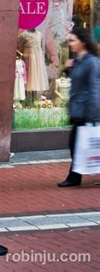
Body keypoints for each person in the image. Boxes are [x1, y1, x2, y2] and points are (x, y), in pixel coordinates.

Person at [58, 27, 100, 187]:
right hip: (78, 109)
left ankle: (74, 177)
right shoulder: (78, 61)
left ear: (82, 41)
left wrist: (93, 114)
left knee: (76, 143)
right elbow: (77, 82)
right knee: (77, 143)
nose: (70, 44)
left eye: (73, 40)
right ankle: (74, 177)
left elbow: (95, 88)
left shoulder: (92, 62)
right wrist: (70, 69)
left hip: (88, 110)